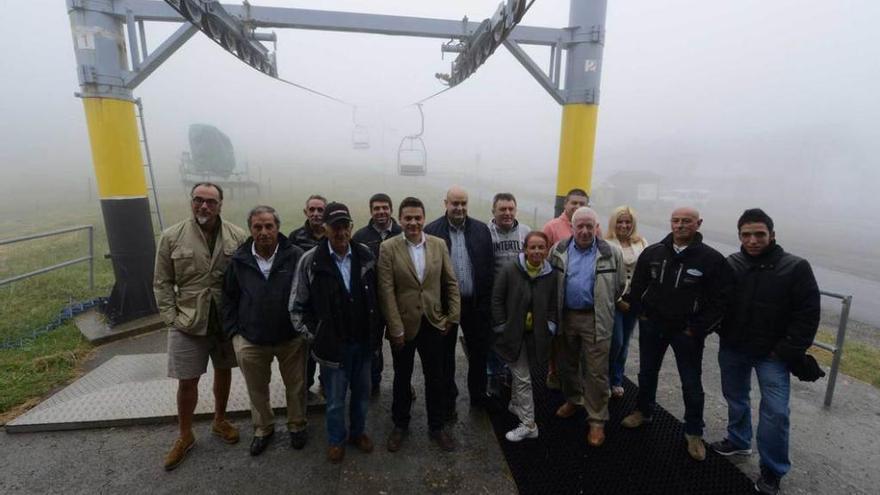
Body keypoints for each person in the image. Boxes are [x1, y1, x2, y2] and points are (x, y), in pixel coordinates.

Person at [710, 209, 820, 495]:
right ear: (739, 236)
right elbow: (717, 300)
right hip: (734, 347)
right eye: (746, 235)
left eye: (759, 234)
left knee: (776, 412)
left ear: (772, 234)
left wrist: (786, 349)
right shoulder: (731, 264)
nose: (753, 240)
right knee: (735, 397)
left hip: (773, 355)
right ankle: (738, 439)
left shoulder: (795, 267)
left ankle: (772, 470)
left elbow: (808, 313)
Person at [621, 207, 729, 462]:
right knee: (647, 371)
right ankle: (643, 411)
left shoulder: (711, 259)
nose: (680, 225)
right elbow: (638, 286)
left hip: (687, 331)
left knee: (691, 381)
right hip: (653, 325)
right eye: (676, 221)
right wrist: (641, 313)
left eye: (687, 221)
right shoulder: (654, 253)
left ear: (698, 224)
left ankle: (693, 432)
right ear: (670, 223)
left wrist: (699, 327)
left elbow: (721, 299)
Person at [154, 182, 247, 471]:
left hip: (225, 318)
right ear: (191, 202)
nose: (204, 206)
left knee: (224, 371)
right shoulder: (171, 237)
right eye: (198, 200)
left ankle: (220, 420)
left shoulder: (238, 236)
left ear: (221, 204)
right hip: (188, 320)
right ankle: (185, 434)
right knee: (187, 380)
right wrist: (172, 318)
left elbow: (245, 279)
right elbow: (162, 282)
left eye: (210, 201)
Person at [289, 202, 384, 463]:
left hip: (363, 344)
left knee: (362, 395)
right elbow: (297, 307)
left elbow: (378, 296)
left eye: (345, 226)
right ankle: (335, 439)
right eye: (335, 227)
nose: (341, 232)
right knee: (334, 401)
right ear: (325, 228)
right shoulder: (310, 260)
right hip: (333, 348)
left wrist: (377, 332)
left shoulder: (365, 254)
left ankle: (358, 432)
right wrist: (317, 336)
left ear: (351, 227)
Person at [377, 197, 461, 452]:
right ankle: (400, 424)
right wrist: (396, 328)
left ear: (424, 218)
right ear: (400, 220)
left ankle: (437, 427)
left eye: (417, 217)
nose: (413, 222)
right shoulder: (388, 248)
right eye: (408, 218)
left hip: (434, 323)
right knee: (401, 377)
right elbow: (386, 291)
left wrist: (452, 317)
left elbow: (450, 283)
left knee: (435, 377)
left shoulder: (438, 244)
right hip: (403, 325)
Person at [222, 206, 306, 456]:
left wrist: (303, 327)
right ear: (250, 229)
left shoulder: (296, 255)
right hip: (251, 339)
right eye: (258, 227)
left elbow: (307, 292)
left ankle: (297, 425)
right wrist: (234, 334)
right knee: (257, 389)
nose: (264, 232)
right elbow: (228, 297)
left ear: (278, 228)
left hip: (290, 337)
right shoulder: (239, 260)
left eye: (269, 226)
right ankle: (263, 429)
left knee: (296, 386)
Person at [549, 207, 625, 447]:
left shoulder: (611, 253)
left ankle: (597, 419)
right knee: (567, 364)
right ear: (572, 227)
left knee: (596, 371)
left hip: (596, 318)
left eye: (589, 226)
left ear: (597, 228)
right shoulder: (558, 250)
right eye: (579, 226)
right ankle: (574, 400)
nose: (584, 231)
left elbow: (619, 285)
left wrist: (601, 306)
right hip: (566, 316)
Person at [425, 186, 495, 418]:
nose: (460, 208)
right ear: (445, 203)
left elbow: (488, 268)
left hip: (476, 306)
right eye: (455, 203)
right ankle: (448, 400)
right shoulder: (431, 231)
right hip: (445, 307)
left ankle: (478, 396)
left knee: (479, 354)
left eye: (464, 203)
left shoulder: (482, 230)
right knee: (445, 357)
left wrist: (487, 302)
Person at [491, 231, 559, 442]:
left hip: (536, 334)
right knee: (522, 378)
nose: (537, 251)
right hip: (512, 333)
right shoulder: (511, 269)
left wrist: (550, 325)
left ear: (547, 250)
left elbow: (553, 303)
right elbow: (497, 298)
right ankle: (529, 424)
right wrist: (502, 325)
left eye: (541, 247)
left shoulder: (550, 274)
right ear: (525, 249)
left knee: (521, 374)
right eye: (533, 247)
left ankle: (516, 405)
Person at [352, 193, 402, 396]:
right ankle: (373, 381)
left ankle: (403, 383)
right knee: (373, 344)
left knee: (401, 345)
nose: (381, 211)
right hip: (370, 301)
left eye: (385, 207)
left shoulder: (402, 233)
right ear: (371, 211)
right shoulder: (360, 237)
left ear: (391, 209)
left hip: (398, 300)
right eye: (376, 208)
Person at [486, 192, 532, 399]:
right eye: (502, 209)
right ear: (493, 211)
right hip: (494, 298)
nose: (507, 213)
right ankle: (494, 375)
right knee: (495, 338)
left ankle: (510, 375)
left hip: (519, 297)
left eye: (510, 209)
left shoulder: (526, 232)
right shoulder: (484, 232)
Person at [604, 206, 649, 398]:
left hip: (635, 300)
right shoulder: (606, 243)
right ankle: (603, 379)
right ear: (613, 223)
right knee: (615, 341)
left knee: (625, 344)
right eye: (620, 221)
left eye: (628, 222)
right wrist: (617, 299)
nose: (624, 225)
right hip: (614, 300)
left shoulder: (641, 242)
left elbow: (646, 272)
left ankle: (617, 379)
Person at [288, 194, 327, 399]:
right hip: (306, 302)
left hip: (328, 302)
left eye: (320, 210)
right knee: (306, 348)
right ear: (306, 212)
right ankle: (305, 387)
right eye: (312, 209)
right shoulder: (295, 237)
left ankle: (326, 384)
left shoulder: (333, 234)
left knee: (328, 347)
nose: (316, 214)